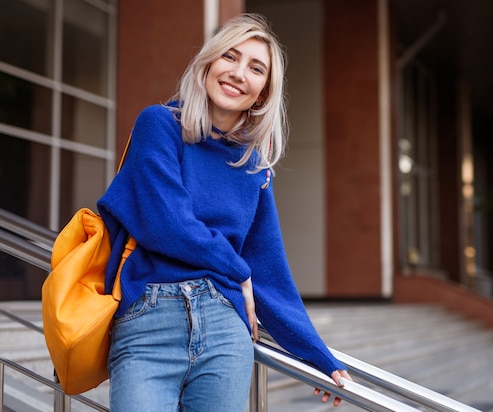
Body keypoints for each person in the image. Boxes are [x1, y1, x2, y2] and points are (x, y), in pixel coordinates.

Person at [97, 12, 351, 412]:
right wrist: (238, 270)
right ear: (208, 64)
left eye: (255, 68)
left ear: (264, 92)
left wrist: (319, 356)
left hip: (225, 330)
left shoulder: (254, 168)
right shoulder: (160, 125)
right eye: (229, 57)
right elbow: (166, 223)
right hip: (150, 323)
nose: (238, 73)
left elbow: (268, 269)